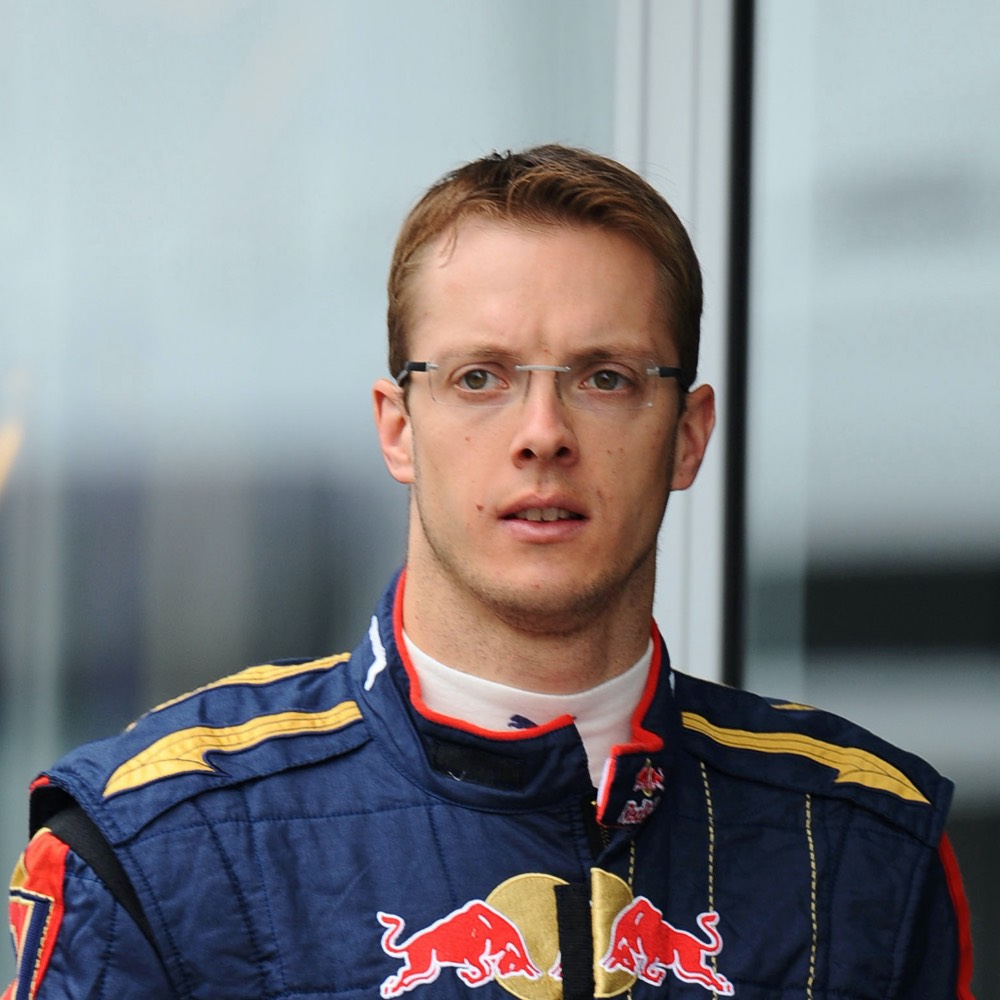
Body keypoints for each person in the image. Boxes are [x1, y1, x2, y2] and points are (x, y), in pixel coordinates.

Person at [4, 145, 973, 1000]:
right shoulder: (158, 842)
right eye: (480, 378)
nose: (542, 434)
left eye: (605, 377)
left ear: (687, 435)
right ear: (397, 427)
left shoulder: (862, 844)